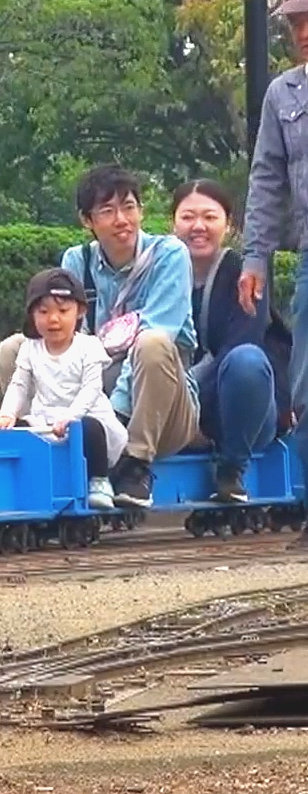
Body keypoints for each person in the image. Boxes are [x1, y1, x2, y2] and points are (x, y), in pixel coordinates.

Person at [0, 164, 199, 509]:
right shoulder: (77, 261)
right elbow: (71, 343)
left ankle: (135, 464)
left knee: (152, 344)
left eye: (129, 207)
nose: (122, 219)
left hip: (161, 407)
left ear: (141, 211)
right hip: (94, 404)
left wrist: (113, 420)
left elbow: (156, 333)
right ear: (86, 220)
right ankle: (51, 449)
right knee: (14, 349)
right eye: (107, 211)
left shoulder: (169, 255)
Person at [174, 179, 291, 502]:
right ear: (173, 223)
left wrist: (184, 397)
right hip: (179, 412)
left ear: (229, 225)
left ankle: (232, 468)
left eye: (210, 217)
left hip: (243, 413)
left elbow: (241, 346)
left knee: (246, 360)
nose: (198, 226)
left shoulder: (247, 275)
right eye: (188, 217)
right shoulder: (162, 273)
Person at [241, 1, 308, 513]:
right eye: (293, 23)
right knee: (304, 380)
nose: (301, 32)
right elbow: (266, 178)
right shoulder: (282, 93)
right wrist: (255, 257)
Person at [0, 269, 128, 510]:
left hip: (85, 418)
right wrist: (7, 414)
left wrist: (71, 417)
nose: (53, 319)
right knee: (17, 430)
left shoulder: (89, 346)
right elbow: (19, 383)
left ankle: (99, 480)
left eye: (63, 311)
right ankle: (31, 482)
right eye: (43, 312)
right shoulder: (31, 348)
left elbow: (91, 388)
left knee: (90, 428)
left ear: (80, 311)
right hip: (47, 420)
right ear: (32, 314)